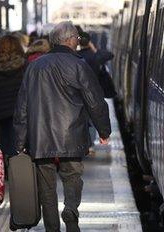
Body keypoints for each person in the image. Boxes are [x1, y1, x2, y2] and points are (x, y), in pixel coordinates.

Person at [14, 21, 111, 232]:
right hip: (71, 135)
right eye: (77, 37)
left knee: (46, 188)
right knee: (73, 177)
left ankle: (52, 229)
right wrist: (104, 131)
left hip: (40, 138)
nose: (79, 41)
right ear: (69, 40)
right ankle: (71, 210)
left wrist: (20, 141)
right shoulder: (79, 65)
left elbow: (22, 107)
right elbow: (95, 101)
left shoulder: (34, 67)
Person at [0, 35, 27, 173]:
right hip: (19, 108)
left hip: (0, 108)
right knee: (16, 138)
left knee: (2, 138)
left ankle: (3, 168)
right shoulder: (24, 64)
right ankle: (16, 167)